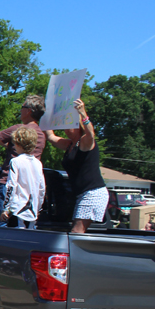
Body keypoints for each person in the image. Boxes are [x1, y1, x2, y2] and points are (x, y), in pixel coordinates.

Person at [0, 95, 46, 226]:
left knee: (0, 226)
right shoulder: (40, 134)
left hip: (9, 187)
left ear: (29, 110)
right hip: (30, 192)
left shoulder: (19, 129)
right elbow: (13, 146)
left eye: (22, 107)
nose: (20, 110)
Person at [44, 99, 107, 234]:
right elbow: (50, 136)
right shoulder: (69, 145)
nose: (67, 129)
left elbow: (91, 134)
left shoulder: (85, 142)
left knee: (76, 231)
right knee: (76, 231)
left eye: (71, 125)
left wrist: (83, 114)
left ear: (79, 126)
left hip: (93, 193)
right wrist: (47, 115)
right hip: (81, 194)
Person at [0, 126, 45, 229]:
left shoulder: (16, 162)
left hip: (17, 210)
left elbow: (11, 185)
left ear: (18, 144)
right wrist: (38, 208)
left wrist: (6, 208)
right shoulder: (38, 163)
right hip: (32, 212)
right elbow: (41, 189)